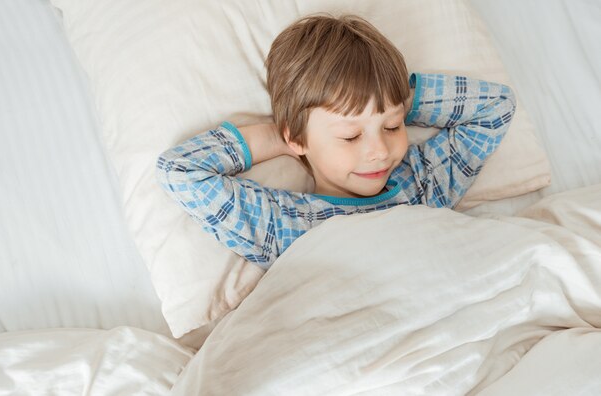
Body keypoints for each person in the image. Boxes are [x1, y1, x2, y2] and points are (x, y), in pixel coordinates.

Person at [156, 14, 516, 270]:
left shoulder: (423, 184)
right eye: (350, 135)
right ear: (296, 137)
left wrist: (395, 95)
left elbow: (496, 108)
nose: (379, 151)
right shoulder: (284, 225)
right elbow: (180, 170)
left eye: (392, 126)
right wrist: (279, 138)